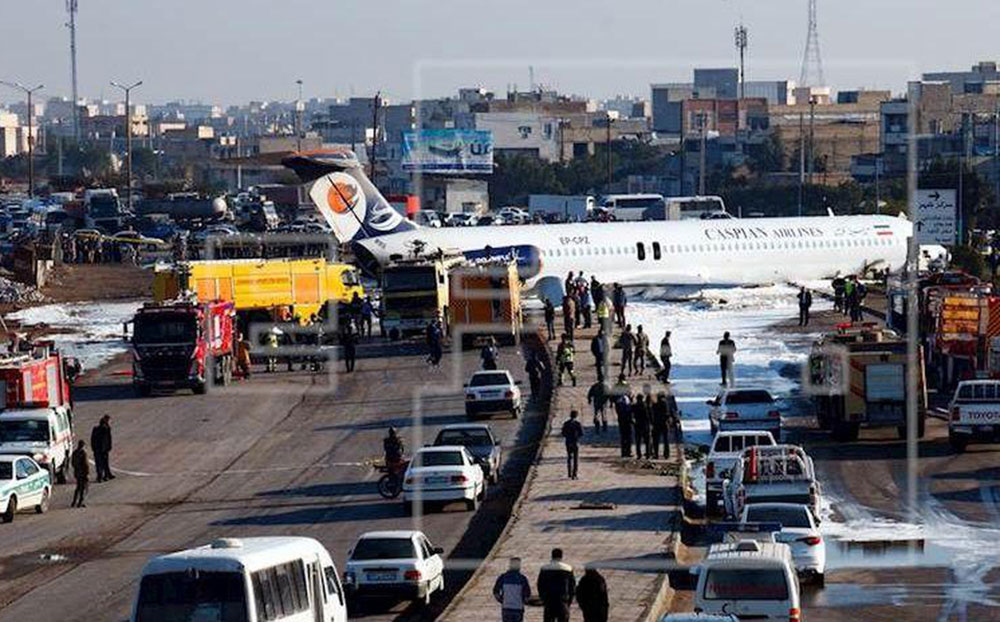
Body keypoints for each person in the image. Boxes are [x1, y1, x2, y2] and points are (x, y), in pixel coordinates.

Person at [537, 548, 576, 622]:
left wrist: (543, 599)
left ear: (552, 556)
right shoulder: (568, 569)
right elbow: (572, 587)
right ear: (561, 557)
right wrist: (569, 601)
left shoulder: (544, 568)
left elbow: (540, 585)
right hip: (562, 601)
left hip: (549, 602)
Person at [494, 557, 532, 622]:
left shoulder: (503, 577)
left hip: (506, 608)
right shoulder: (522, 579)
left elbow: (496, 592)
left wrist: (502, 600)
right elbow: (527, 596)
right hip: (518, 608)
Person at [561, 410, 584, 479]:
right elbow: (582, 433)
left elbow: (563, 433)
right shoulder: (577, 424)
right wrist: (577, 437)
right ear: (576, 416)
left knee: (569, 457)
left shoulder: (566, 423)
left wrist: (568, 437)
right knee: (575, 458)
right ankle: (574, 474)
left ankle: (569, 473)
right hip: (575, 442)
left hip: (568, 442)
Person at [90, 415, 114, 482]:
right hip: (103, 449)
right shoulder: (106, 429)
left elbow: (92, 439)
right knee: (104, 463)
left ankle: (103, 475)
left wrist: (93, 447)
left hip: (97, 449)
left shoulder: (96, 429)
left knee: (99, 463)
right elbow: (108, 439)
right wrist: (109, 447)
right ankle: (104, 476)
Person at [614, 391, 633, 458]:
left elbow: (617, 410)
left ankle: (623, 452)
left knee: (623, 437)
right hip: (627, 421)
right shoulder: (627, 401)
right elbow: (630, 410)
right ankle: (628, 451)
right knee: (628, 437)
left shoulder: (619, 401)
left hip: (621, 421)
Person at [650, 393, 670, 460]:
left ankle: (656, 454)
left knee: (656, 440)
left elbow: (651, 413)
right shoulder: (665, 404)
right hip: (664, 423)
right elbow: (667, 414)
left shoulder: (655, 405)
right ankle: (666, 454)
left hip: (656, 424)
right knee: (666, 440)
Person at [631, 393, 650, 459]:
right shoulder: (645, 406)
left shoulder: (635, 406)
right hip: (645, 425)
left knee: (638, 441)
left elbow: (631, 414)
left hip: (638, 424)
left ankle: (639, 454)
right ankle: (648, 454)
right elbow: (648, 416)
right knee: (647, 441)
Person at [70, 440, 89, 508]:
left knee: (78, 487)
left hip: (77, 472)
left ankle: (74, 502)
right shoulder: (83, 453)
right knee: (83, 488)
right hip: (83, 473)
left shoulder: (75, 452)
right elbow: (86, 464)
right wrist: (87, 473)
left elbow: (72, 463)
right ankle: (80, 502)